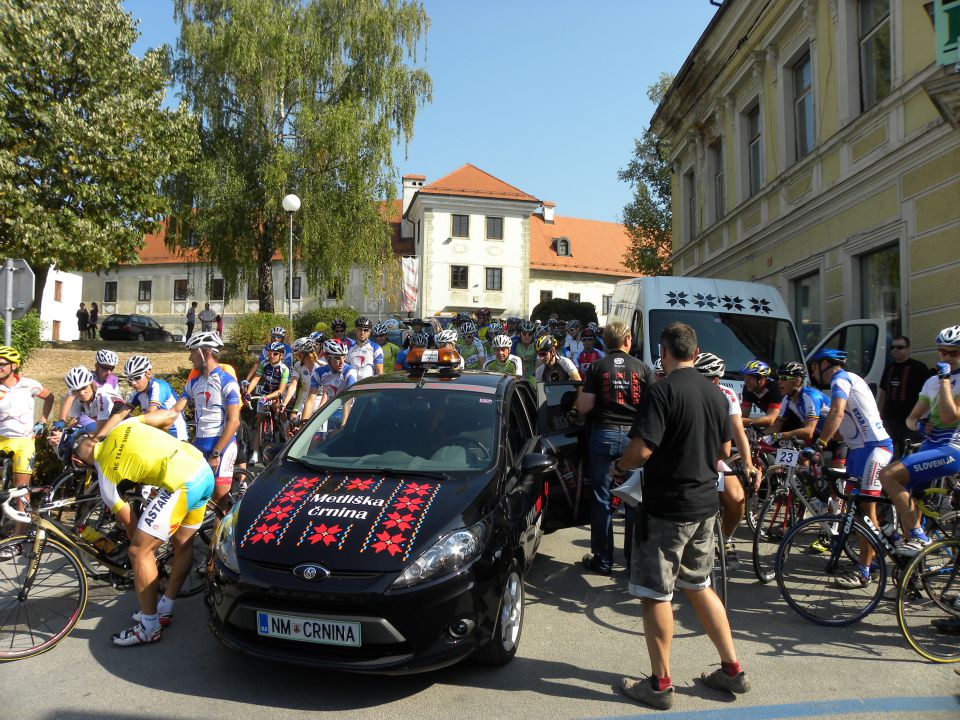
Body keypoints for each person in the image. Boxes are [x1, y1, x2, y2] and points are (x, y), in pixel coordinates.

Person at [611, 322, 749, 709]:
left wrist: (619, 468)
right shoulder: (717, 393)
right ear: (695, 349)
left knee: (655, 593)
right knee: (699, 585)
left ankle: (660, 684)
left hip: (667, 508)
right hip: (705, 506)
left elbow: (641, 451)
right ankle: (732, 669)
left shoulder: (662, 391)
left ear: (665, 351)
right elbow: (724, 449)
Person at [69, 409, 214, 645]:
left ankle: (149, 626)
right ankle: (165, 607)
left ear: (78, 461)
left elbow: (131, 525)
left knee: (139, 552)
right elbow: (168, 417)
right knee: (182, 543)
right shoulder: (122, 426)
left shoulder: (105, 478)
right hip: (201, 467)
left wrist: (142, 551)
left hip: (181, 483)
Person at [807, 347, 893, 588]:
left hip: (875, 450)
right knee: (856, 512)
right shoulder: (846, 380)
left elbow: (837, 412)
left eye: (814, 367)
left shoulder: (841, 379)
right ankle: (881, 549)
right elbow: (845, 423)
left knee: (866, 512)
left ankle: (864, 571)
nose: (813, 373)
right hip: (858, 451)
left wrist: (819, 444)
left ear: (825, 364)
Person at [574, 321, 652, 576]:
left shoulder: (597, 367)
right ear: (628, 340)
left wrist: (574, 409)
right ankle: (633, 561)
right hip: (634, 439)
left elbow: (585, 405)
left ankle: (603, 560)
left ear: (605, 342)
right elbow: (653, 408)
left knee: (601, 499)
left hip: (603, 434)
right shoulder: (643, 368)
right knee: (634, 500)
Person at [879, 326, 960, 554]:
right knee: (909, 501)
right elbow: (911, 420)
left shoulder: (943, 380)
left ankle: (919, 537)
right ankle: (912, 573)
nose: (946, 357)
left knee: (888, 475)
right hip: (929, 446)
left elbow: (949, 416)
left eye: (953, 353)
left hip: (953, 448)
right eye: (942, 352)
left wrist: (945, 380)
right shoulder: (931, 382)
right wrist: (921, 424)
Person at [693, 352, 759, 568]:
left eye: (712, 379)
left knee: (737, 499)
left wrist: (748, 464)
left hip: (714, 458)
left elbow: (738, 431)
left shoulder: (727, 395)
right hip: (688, 458)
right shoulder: (687, 392)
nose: (709, 383)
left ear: (717, 380)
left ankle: (726, 539)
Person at [174, 332, 241, 507]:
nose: (190, 357)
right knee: (192, 495)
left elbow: (234, 421)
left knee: (220, 499)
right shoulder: (193, 383)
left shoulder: (227, 382)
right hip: (200, 443)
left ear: (206, 352)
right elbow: (174, 412)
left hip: (222, 445)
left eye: (192, 352)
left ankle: (221, 534)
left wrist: (216, 454)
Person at [0, 346, 54, 553]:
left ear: (14, 366)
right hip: (1, 439)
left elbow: (49, 397)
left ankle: (18, 538)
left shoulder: (29, 385)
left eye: (3, 364)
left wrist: (42, 421)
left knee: (21, 490)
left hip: (23, 441)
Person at [877, 336, 929, 456]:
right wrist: (878, 414)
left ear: (908, 349)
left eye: (900, 347)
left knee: (909, 453)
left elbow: (926, 396)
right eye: (893, 347)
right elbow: (883, 392)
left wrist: (922, 417)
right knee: (884, 451)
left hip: (909, 420)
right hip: (889, 419)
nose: (895, 350)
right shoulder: (889, 368)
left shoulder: (919, 367)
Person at [123, 355, 188, 440]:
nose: (133, 383)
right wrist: (100, 437)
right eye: (130, 379)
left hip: (177, 438)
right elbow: (119, 415)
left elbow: (151, 412)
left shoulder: (159, 386)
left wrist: (131, 424)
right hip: (157, 438)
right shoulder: (136, 393)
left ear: (148, 373)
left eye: (137, 378)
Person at [245, 341, 290, 461]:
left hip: (276, 394)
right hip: (265, 393)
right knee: (259, 421)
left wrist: (268, 398)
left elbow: (281, 390)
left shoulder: (284, 369)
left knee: (279, 411)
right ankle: (255, 453)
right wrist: (248, 392)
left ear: (281, 355)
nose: (272, 356)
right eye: (270, 353)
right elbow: (256, 378)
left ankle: (288, 439)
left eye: (275, 354)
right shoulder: (264, 363)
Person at [739, 360, 782, 430]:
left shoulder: (775, 388)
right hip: (775, 425)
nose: (746, 382)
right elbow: (744, 415)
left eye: (749, 379)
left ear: (761, 379)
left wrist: (738, 421)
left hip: (789, 426)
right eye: (745, 378)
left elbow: (770, 420)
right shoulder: (748, 388)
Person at [512, 321, 538, 385]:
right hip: (516, 375)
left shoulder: (536, 344)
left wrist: (534, 374)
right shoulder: (514, 343)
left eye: (530, 334)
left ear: (533, 335)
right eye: (524, 333)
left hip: (532, 375)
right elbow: (510, 360)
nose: (527, 336)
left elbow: (539, 360)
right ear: (520, 334)